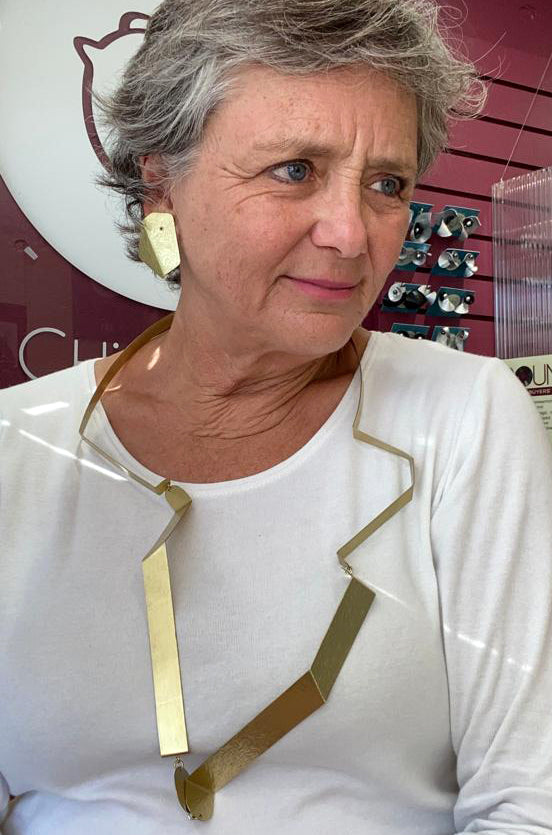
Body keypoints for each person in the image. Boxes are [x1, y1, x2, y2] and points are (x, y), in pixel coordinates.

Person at [1, 0, 552, 832]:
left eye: (387, 184)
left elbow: (527, 798)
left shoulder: (464, 419)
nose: (352, 234)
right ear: (162, 184)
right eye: (295, 169)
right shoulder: (16, 447)